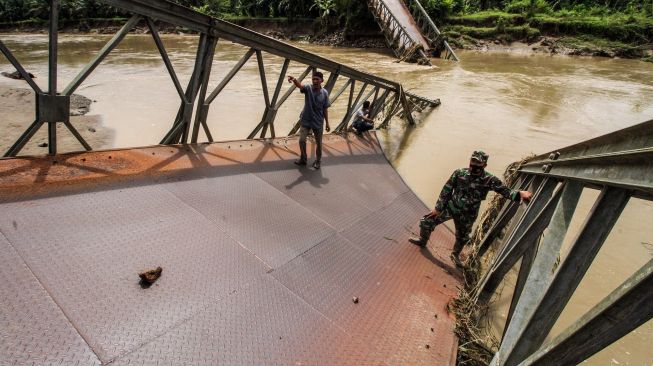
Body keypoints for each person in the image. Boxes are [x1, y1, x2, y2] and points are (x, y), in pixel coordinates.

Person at [409, 151, 533, 267]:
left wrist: (519, 194)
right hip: (451, 207)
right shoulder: (459, 173)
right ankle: (422, 240)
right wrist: (438, 208)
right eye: (473, 161)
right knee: (427, 221)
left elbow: (505, 191)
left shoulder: (489, 180)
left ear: (484, 164)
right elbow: (446, 190)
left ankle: (455, 255)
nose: (475, 164)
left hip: (468, 214)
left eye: (478, 162)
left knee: (462, 238)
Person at [288, 71, 331, 170]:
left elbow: (325, 108)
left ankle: (318, 161)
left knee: (319, 143)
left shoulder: (324, 93)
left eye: (317, 79)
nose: (315, 81)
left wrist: (327, 123)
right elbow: (300, 86)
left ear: (322, 81)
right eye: (313, 79)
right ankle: (303, 159)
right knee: (302, 140)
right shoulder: (308, 88)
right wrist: (294, 80)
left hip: (318, 121)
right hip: (306, 119)